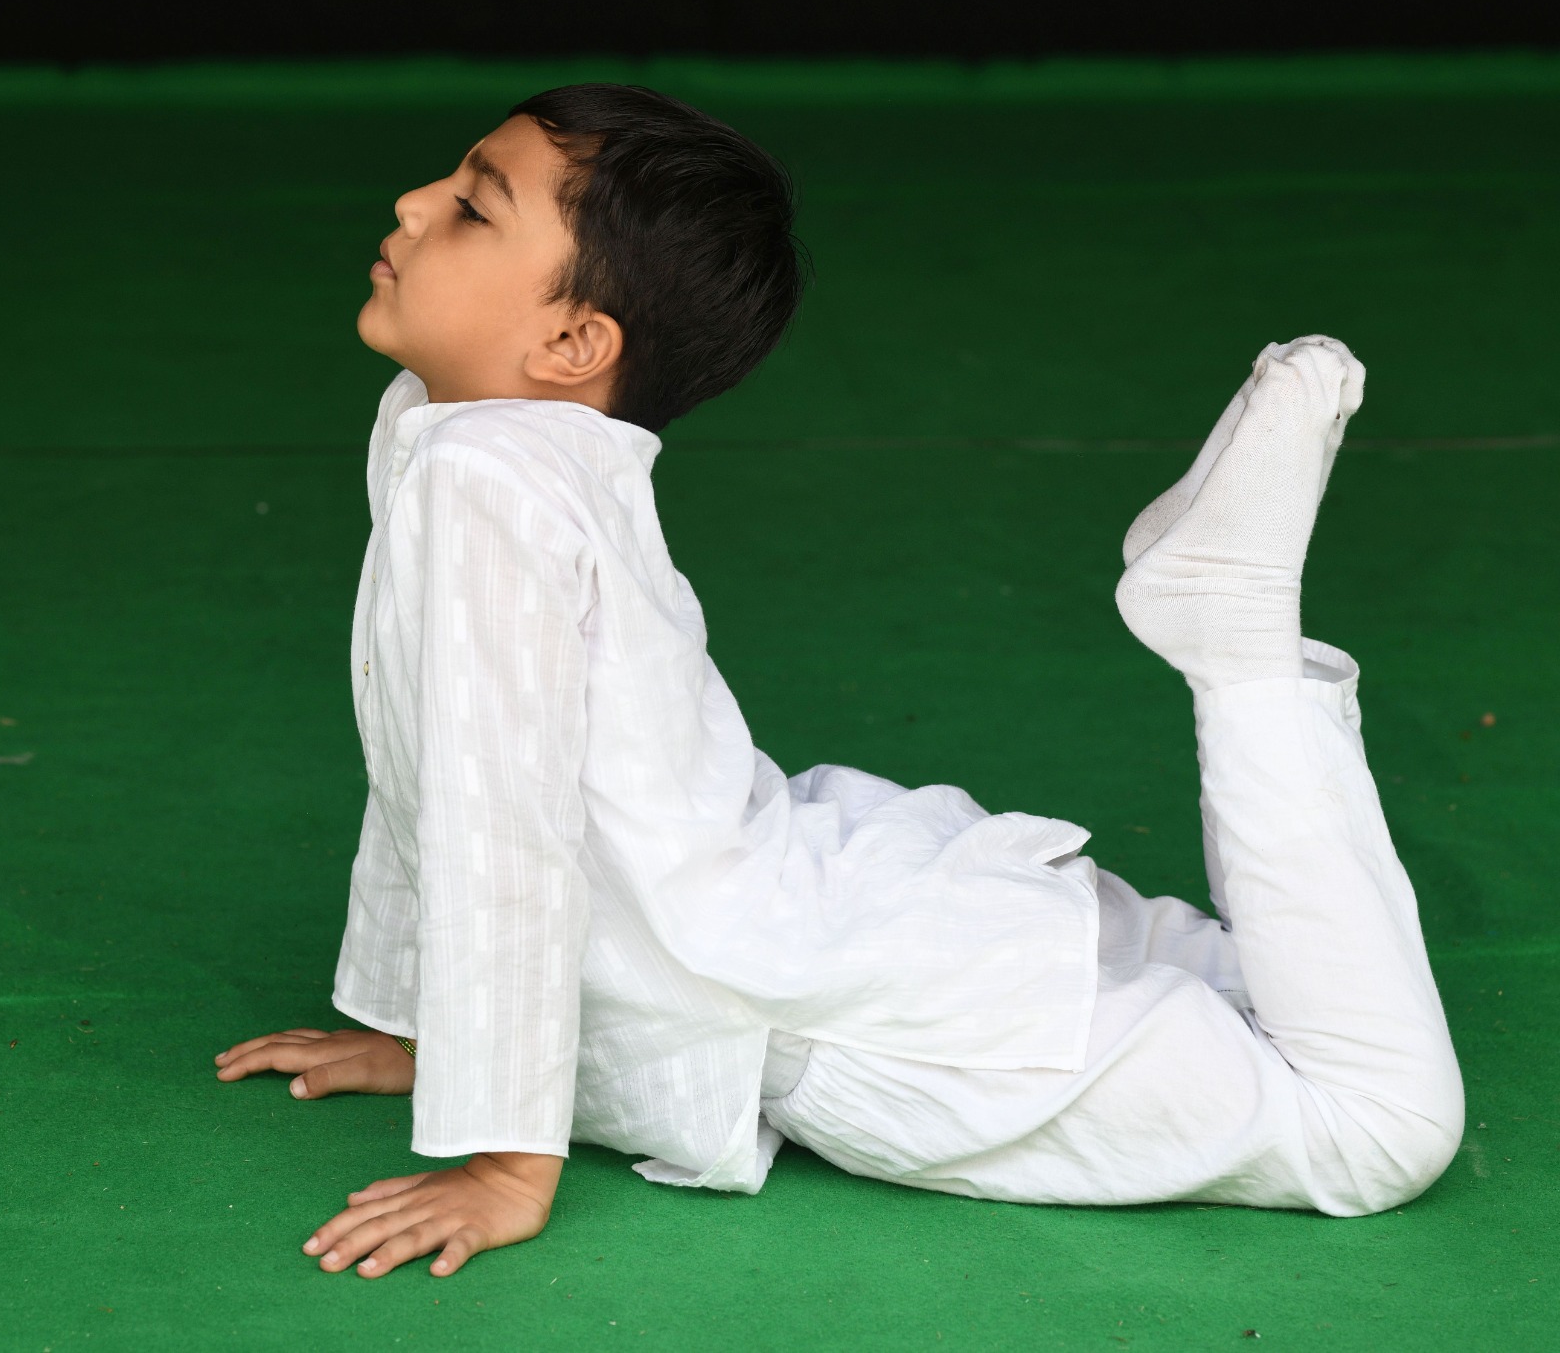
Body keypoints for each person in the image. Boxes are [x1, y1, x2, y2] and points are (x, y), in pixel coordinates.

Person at [213, 84, 1464, 1279]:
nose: (413, 202)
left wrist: (505, 1155)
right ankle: (1232, 641)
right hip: (840, 903)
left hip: (849, 1015)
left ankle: (1236, 645)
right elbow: (423, 756)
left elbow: (504, 829)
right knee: (1278, 995)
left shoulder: (484, 481)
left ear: (573, 341)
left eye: (472, 206)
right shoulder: (463, 440)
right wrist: (416, 1023)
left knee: (1373, 1126)